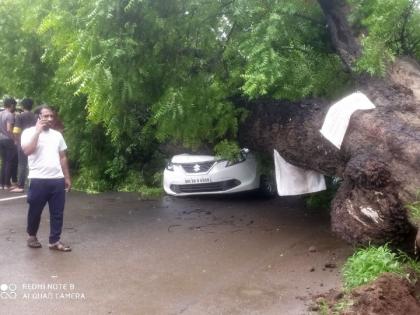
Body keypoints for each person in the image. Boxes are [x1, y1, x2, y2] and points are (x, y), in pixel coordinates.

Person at [21, 105, 72, 251]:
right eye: (46, 116)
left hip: (57, 179)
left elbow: (62, 157)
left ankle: (54, 241)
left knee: (57, 212)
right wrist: (37, 132)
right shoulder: (29, 132)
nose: (50, 119)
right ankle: (32, 236)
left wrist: (67, 177)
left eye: (51, 116)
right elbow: (27, 151)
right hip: (38, 179)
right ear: (38, 117)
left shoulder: (57, 135)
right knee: (35, 210)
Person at [11, 98, 37, 193]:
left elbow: (16, 131)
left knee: (22, 164)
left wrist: (17, 141)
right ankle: (33, 183)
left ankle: (20, 186)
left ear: (22, 106)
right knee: (33, 162)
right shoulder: (35, 116)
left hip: (23, 142)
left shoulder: (20, 116)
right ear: (32, 106)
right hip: (34, 141)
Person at [0, 97, 17, 190]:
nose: (15, 107)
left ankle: (1, 183)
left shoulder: (0, 113)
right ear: (11, 105)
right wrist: (14, 139)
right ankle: (7, 184)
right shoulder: (9, 115)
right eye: (15, 105)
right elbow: (9, 129)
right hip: (8, 140)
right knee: (9, 162)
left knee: (3, 161)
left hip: (0, 139)